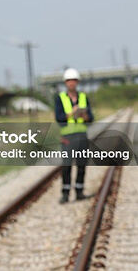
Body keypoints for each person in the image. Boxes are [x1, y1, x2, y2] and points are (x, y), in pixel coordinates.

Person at [54, 68, 94, 204]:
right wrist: (72, 113)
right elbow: (59, 118)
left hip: (82, 134)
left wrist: (85, 115)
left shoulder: (83, 97)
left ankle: (79, 191)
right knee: (66, 166)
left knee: (82, 165)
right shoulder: (60, 98)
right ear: (66, 83)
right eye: (69, 81)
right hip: (67, 137)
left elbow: (91, 118)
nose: (72, 83)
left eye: (74, 81)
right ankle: (65, 194)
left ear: (77, 82)